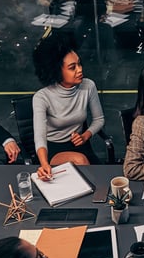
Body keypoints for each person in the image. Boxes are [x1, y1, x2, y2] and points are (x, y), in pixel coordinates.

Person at [32, 34, 105, 177]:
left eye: (79, 63)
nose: (80, 70)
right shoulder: (42, 97)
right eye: (72, 67)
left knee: (99, 178)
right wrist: (44, 163)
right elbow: (39, 136)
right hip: (54, 149)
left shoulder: (88, 86)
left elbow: (99, 119)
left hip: (81, 144)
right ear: (57, 71)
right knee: (82, 166)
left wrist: (85, 136)